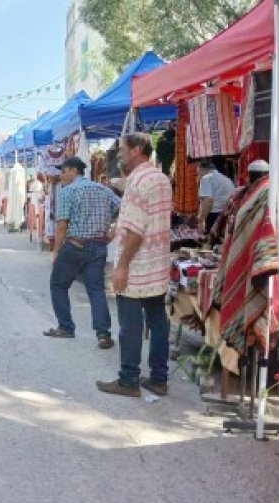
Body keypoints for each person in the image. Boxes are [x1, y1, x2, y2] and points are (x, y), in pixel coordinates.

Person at [97, 134, 172, 398]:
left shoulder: (138, 182)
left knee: (130, 325)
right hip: (158, 264)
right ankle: (159, 379)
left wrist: (122, 267)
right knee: (158, 321)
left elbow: (136, 231)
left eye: (122, 151)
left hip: (138, 266)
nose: (119, 155)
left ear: (137, 150)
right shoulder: (161, 178)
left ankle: (128, 380)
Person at [43, 157, 121, 348]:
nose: (61, 176)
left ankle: (66, 327)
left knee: (58, 285)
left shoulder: (67, 191)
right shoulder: (102, 189)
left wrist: (56, 252)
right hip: (98, 246)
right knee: (96, 290)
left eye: (63, 172)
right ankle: (103, 334)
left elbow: (62, 225)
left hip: (75, 246)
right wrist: (113, 231)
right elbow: (124, 208)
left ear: (72, 171)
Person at [197, 161, 235, 234]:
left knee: (210, 242)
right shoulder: (226, 179)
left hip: (214, 216)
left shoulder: (206, 178)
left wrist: (201, 221)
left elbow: (207, 200)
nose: (198, 175)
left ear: (202, 169)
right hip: (226, 214)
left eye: (198, 172)